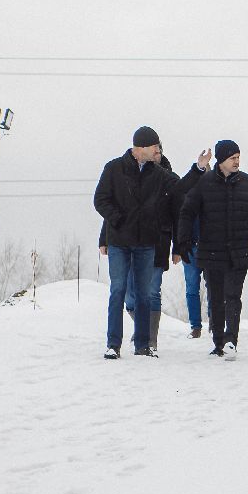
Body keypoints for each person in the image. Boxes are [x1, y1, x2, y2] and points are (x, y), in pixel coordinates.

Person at [94, 126, 209, 358]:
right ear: (142, 147)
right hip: (119, 242)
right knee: (118, 290)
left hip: (147, 243)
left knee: (146, 294)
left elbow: (179, 189)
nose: (158, 150)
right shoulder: (114, 168)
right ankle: (112, 345)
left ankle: (144, 345)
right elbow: (100, 200)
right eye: (155, 146)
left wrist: (198, 169)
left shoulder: (157, 174)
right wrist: (118, 219)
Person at [177, 140, 248, 360]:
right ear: (221, 160)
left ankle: (231, 341)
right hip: (211, 250)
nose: (236, 161)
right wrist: (184, 240)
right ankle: (218, 341)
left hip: (240, 249)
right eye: (232, 158)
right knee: (216, 298)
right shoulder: (204, 182)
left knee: (233, 296)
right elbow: (187, 211)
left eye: (238, 157)